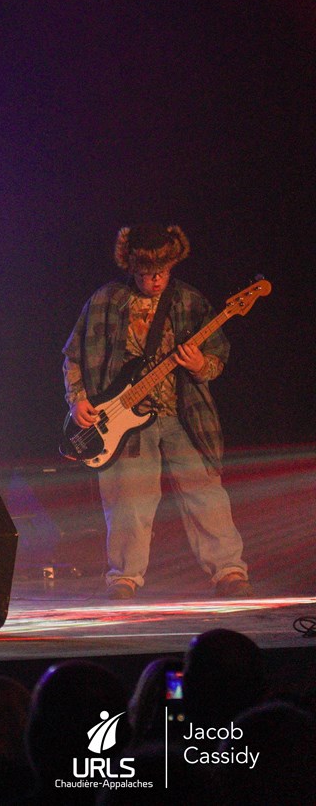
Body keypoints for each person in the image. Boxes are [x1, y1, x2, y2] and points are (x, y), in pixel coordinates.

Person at [62, 224, 250, 599]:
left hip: (184, 413)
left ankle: (229, 571)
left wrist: (199, 364)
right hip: (122, 418)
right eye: (148, 275)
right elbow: (72, 355)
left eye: (163, 273)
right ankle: (124, 578)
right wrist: (78, 398)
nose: (156, 281)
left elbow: (218, 357)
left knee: (206, 494)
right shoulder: (105, 300)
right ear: (132, 269)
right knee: (129, 500)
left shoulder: (190, 301)